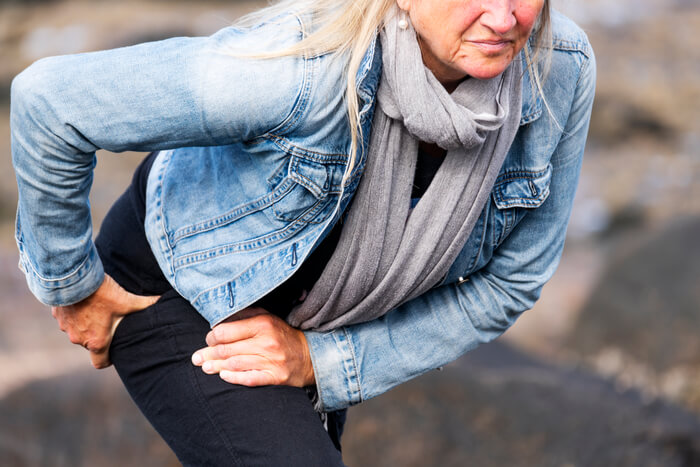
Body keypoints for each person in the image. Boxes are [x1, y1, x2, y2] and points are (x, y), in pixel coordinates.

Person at [10, 0, 595, 465]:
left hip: (321, 313)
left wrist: (322, 361)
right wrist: (71, 284)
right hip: (180, 283)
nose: (505, 18)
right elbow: (49, 102)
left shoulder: (560, 66)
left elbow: (509, 284)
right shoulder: (300, 67)